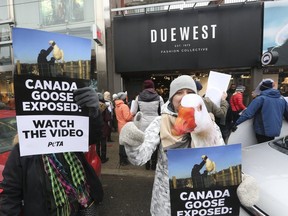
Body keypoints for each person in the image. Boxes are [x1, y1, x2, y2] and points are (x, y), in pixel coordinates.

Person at [119, 75, 258, 215]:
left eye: (190, 92)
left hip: (200, 203)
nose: (184, 96)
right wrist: (133, 144)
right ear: (172, 97)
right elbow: (139, 158)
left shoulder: (210, 127)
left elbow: (220, 158)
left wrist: (242, 179)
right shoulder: (160, 123)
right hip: (167, 204)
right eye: (179, 92)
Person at [0, 87, 104, 215]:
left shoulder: (69, 139)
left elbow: (94, 136)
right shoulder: (22, 151)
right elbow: (10, 195)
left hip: (80, 210)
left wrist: (94, 112)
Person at [233, 79, 288, 143]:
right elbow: (286, 114)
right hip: (275, 130)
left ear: (262, 88)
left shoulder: (260, 99)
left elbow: (248, 114)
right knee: (268, 146)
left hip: (261, 129)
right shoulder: (281, 99)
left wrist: (236, 124)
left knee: (260, 146)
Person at [135, 79, 164, 170]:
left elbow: (134, 111)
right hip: (155, 123)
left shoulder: (138, 98)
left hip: (143, 124)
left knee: (145, 143)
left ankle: (146, 163)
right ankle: (154, 164)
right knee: (155, 143)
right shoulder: (159, 98)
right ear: (153, 87)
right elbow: (163, 111)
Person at [114, 91, 134, 166]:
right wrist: (132, 113)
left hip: (120, 126)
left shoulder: (117, 106)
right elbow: (127, 117)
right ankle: (124, 160)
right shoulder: (124, 106)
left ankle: (121, 159)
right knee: (125, 144)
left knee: (121, 143)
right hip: (125, 126)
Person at [96, 92, 110, 163]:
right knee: (103, 143)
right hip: (103, 126)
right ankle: (103, 158)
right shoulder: (104, 106)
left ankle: (97, 157)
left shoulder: (93, 105)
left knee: (97, 144)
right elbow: (107, 118)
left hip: (96, 127)